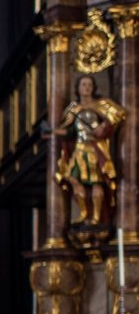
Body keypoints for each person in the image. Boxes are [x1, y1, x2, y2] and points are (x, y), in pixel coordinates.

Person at [51, 74, 126, 226]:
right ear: (78, 89)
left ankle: (96, 216)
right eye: (83, 85)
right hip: (79, 149)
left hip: (94, 150)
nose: (86, 88)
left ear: (93, 88)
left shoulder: (101, 104)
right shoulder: (73, 108)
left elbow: (118, 115)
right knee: (72, 178)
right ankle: (85, 212)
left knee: (96, 182)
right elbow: (69, 130)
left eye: (89, 85)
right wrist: (54, 132)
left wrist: (103, 126)